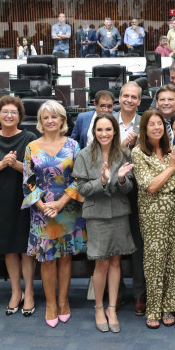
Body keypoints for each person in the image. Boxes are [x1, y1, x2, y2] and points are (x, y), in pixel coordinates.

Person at [22, 101, 86, 328]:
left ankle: (63, 300)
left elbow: (80, 178)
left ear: (62, 121)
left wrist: (60, 203)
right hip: (42, 212)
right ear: (40, 122)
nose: (50, 121)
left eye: (54, 116)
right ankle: (50, 304)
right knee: (47, 259)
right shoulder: (32, 147)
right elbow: (28, 182)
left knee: (66, 257)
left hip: (67, 208)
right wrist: (42, 206)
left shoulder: (73, 146)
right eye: (45, 117)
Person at [73, 113, 136, 334]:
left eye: (108, 129)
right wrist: (101, 181)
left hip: (119, 212)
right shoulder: (83, 155)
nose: (104, 134)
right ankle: (99, 307)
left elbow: (129, 189)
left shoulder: (125, 153)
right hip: (97, 215)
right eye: (99, 130)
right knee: (101, 263)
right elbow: (82, 190)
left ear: (115, 131)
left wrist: (119, 179)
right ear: (94, 132)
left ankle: (112, 308)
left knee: (116, 261)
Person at [0, 96, 37, 317]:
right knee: (10, 249)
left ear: (20, 116)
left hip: (25, 200)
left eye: (14, 112)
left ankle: (29, 292)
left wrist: (16, 164)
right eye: (5, 112)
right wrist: (3, 163)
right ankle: (15, 292)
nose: (9, 115)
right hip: (0, 200)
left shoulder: (30, 138)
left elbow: (37, 171)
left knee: (25, 248)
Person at [132, 109, 175, 328]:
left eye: (160, 124)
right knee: (155, 261)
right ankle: (153, 308)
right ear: (144, 129)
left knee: (174, 259)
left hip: (174, 209)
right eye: (151, 124)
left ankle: (169, 306)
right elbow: (151, 186)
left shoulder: (172, 149)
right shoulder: (138, 152)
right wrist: (173, 165)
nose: (156, 128)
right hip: (153, 213)